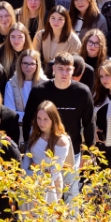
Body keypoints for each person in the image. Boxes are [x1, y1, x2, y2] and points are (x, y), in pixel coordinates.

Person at [21, 51, 95, 196]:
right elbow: (28, 120)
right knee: (44, 194)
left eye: (68, 69)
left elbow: (89, 124)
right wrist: (29, 147)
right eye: (60, 69)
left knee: (71, 194)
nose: (64, 73)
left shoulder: (82, 92)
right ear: (54, 69)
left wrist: (88, 153)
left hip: (71, 152)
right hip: (43, 151)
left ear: (73, 70)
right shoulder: (39, 91)